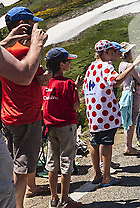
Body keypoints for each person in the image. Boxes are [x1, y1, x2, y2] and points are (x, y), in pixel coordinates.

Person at [1, 7, 52, 207]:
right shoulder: (24, 51)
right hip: (27, 115)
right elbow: (35, 78)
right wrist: (37, 46)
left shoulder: (5, 50)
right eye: (32, 25)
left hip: (8, 113)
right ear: (23, 26)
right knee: (21, 168)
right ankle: (18, 204)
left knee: (12, 162)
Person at [83, 40, 140, 188]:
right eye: (111, 52)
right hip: (106, 112)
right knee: (106, 143)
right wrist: (134, 65)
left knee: (94, 142)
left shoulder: (91, 67)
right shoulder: (106, 66)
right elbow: (116, 81)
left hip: (93, 112)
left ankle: (97, 174)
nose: (113, 54)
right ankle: (106, 176)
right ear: (105, 52)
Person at [43, 47, 82, 208]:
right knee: (67, 162)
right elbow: (76, 106)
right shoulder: (68, 83)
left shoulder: (46, 83)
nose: (69, 64)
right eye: (68, 61)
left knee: (52, 163)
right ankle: (66, 199)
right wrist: (76, 89)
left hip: (51, 127)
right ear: (61, 64)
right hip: (67, 126)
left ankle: (53, 199)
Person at [118, 42, 140, 156]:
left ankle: (127, 145)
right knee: (132, 120)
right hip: (133, 94)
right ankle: (128, 146)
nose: (134, 53)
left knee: (127, 120)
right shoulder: (129, 66)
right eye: (132, 51)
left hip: (126, 92)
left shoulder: (121, 65)